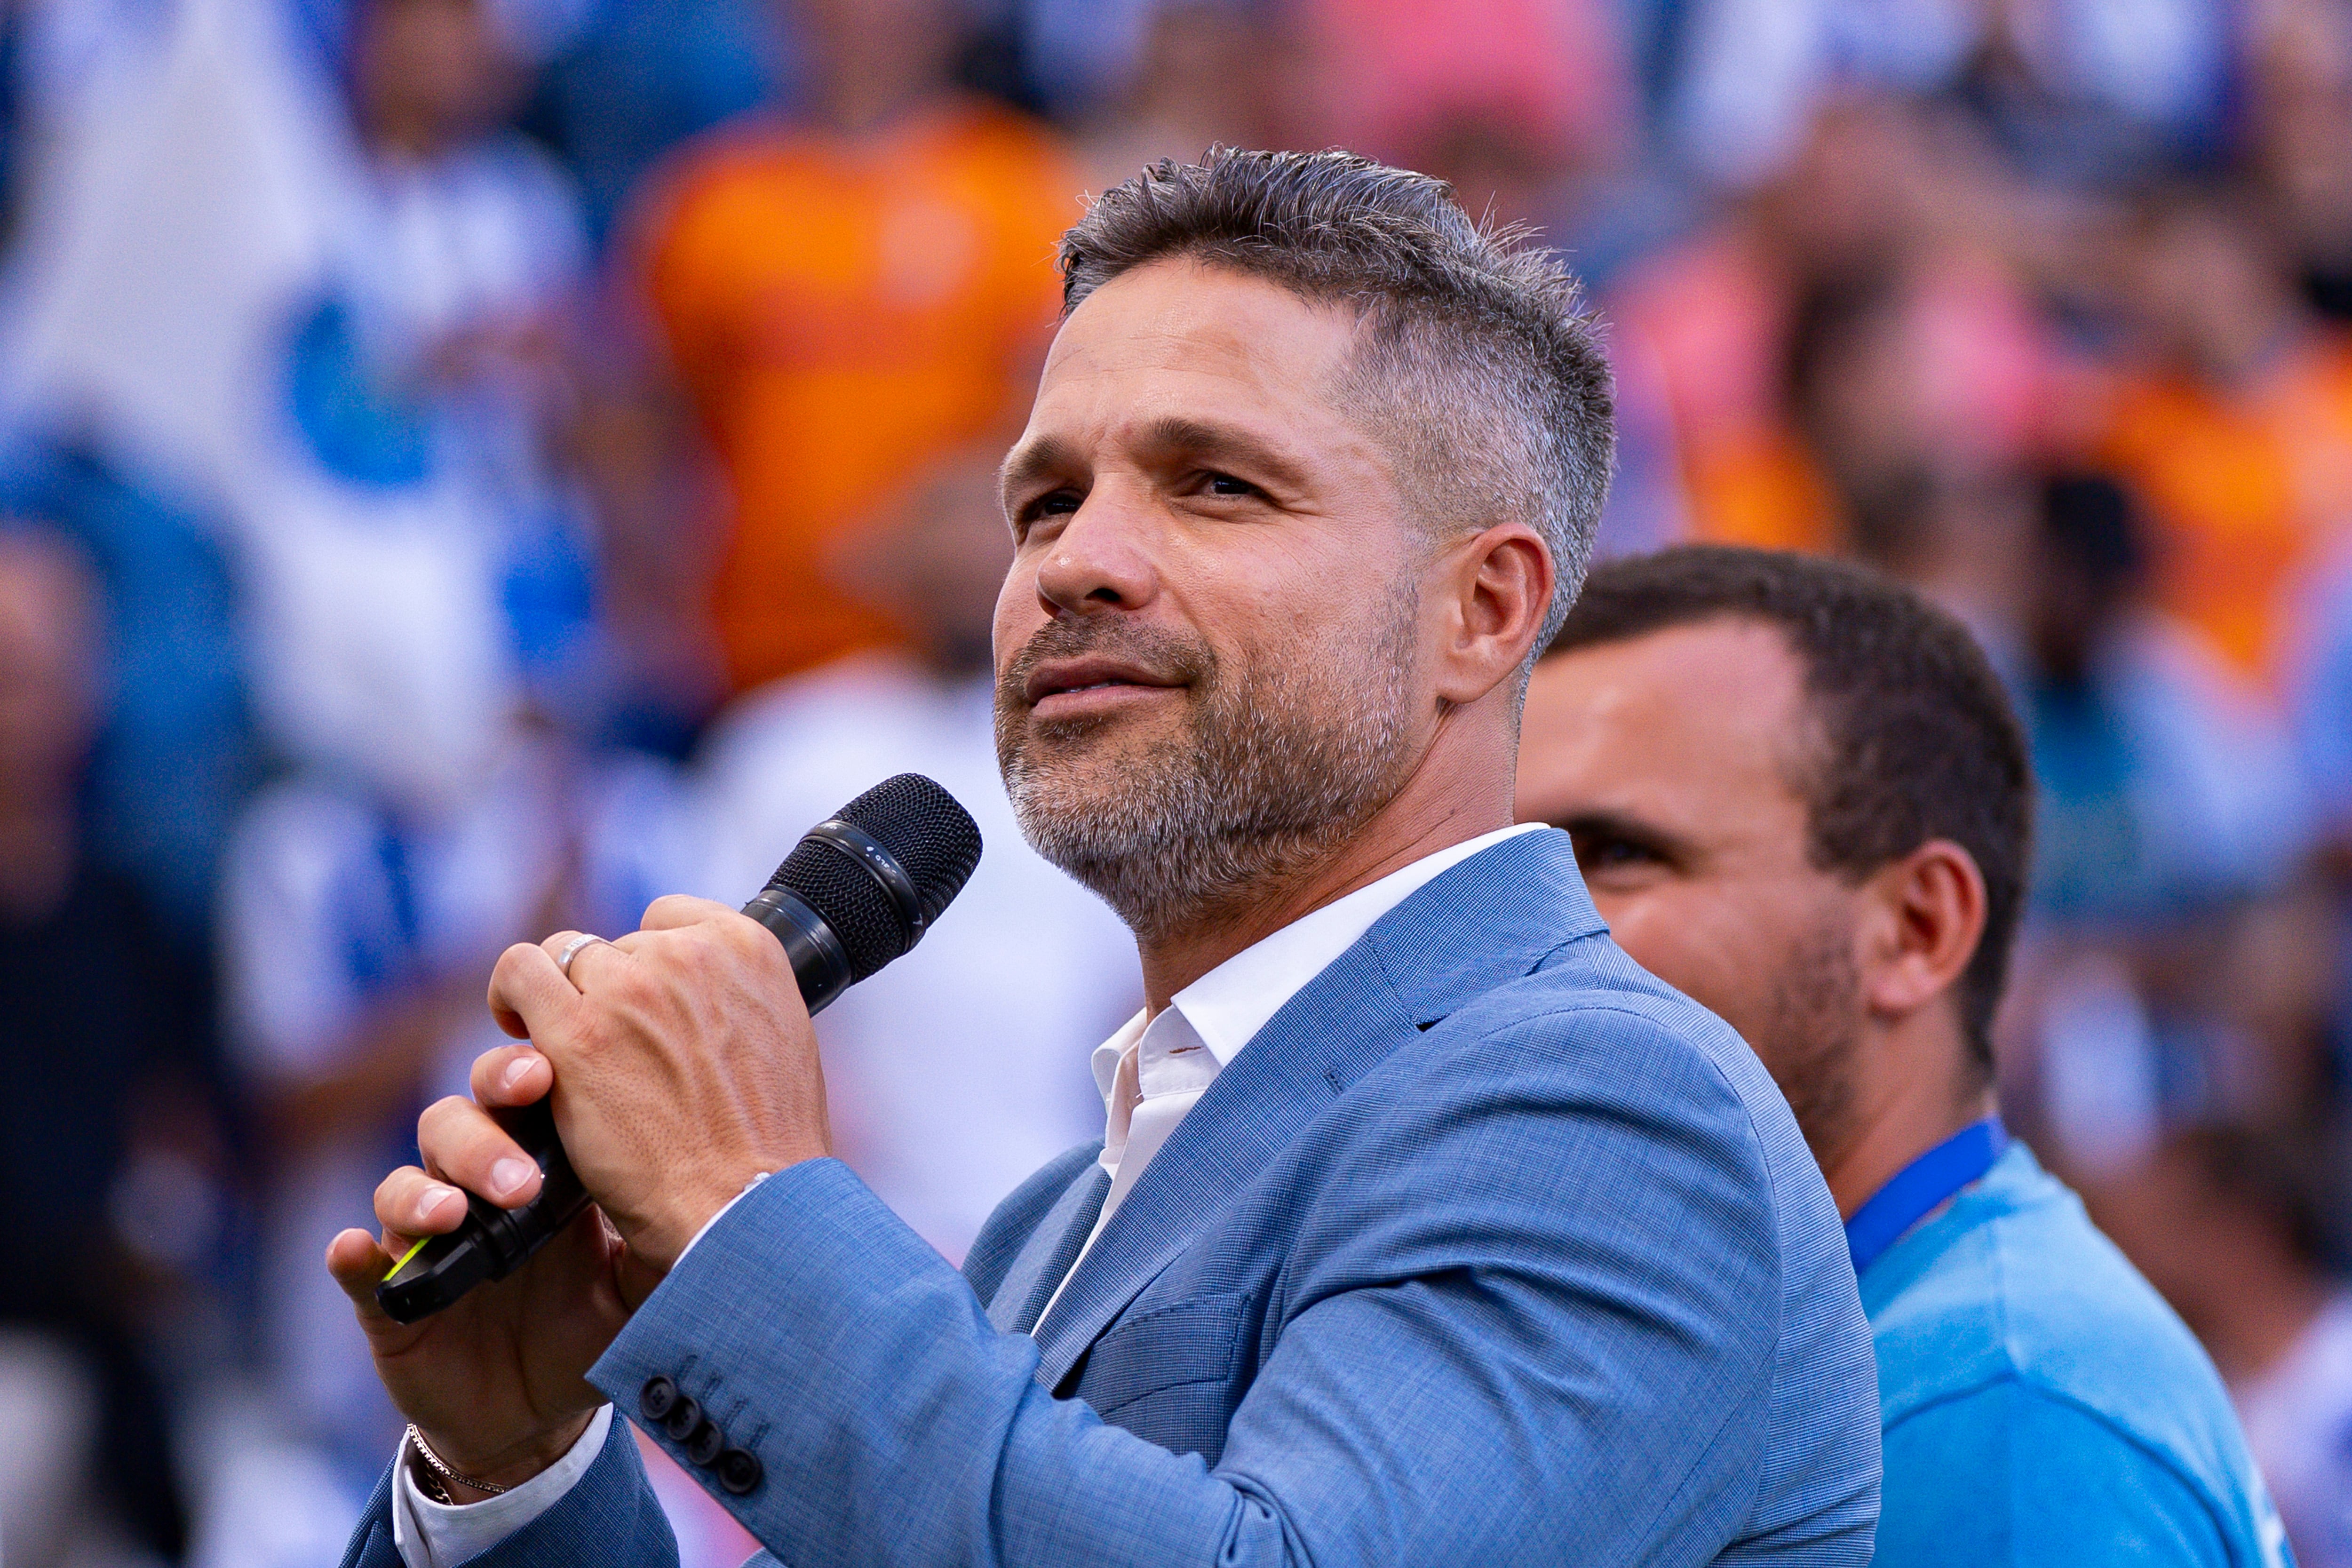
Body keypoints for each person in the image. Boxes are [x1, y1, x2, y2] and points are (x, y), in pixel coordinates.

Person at [327, 150, 1880, 1566]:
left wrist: (744, 1210)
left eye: (1216, 484)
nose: (1075, 561)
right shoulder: (1054, 1222)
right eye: (1047, 500)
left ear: (1481, 610)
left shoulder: (1608, 1106)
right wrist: (514, 1471)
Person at [1516, 543, 2291, 1567]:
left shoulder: (1996, 1420)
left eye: (1619, 854)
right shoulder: (1859, 1358)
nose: (1522, 925)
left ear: (1917, 929)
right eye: (1512, 863)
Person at [691, 447, 1140, 1261]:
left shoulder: (1106, 737)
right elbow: (734, 981)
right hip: (847, 1222)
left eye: (991, 532)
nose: (965, 556)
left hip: (1069, 1223)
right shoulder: (788, 741)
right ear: (889, 555)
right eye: (942, 526)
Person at [625, 0, 1077, 694]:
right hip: (757, 653)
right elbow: (644, 424)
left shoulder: (1020, 184)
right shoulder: (712, 199)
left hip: (965, 658)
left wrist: (922, 535)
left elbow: (1052, 412)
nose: (864, 21)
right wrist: (655, 597)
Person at [2097, 1125, 2352, 1568]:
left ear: (2250, 1226)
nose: (2151, 1258)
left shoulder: (2339, 1363)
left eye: (2173, 1228)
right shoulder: (2203, 1406)